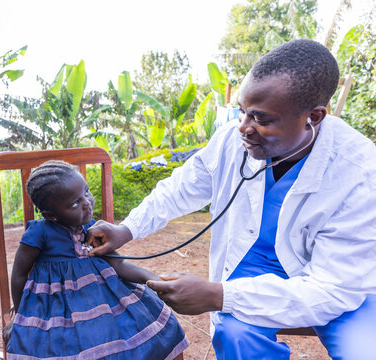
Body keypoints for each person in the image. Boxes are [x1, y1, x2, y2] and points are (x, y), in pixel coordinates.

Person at [86, 39, 376, 359]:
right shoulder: (232, 140)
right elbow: (182, 187)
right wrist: (126, 229)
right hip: (252, 268)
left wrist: (218, 295)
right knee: (236, 336)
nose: (244, 128)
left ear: (314, 117)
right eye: (241, 112)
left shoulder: (360, 173)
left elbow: (332, 291)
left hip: (341, 283)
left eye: (261, 119)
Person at [5, 160, 189, 359]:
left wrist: (155, 281)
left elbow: (119, 264)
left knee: (154, 323)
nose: (87, 202)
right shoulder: (39, 233)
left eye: (86, 192)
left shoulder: (91, 229)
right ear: (51, 215)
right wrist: (20, 315)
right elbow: (19, 274)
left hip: (106, 301)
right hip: (58, 309)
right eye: (75, 203)